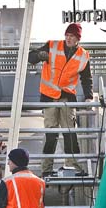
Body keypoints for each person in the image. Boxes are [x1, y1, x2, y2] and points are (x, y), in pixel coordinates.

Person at [28, 22, 93, 177]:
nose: (69, 38)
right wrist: (39, 56)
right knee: (51, 134)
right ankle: (46, 169)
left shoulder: (83, 55)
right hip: (49, 97)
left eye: (72, 36)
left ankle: (73, 167)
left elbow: (86, 79)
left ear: (78, 39)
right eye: (67, 35)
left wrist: (89, 97)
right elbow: (30, 57)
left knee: (70, 132)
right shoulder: (52, 46)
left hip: (67, 98)